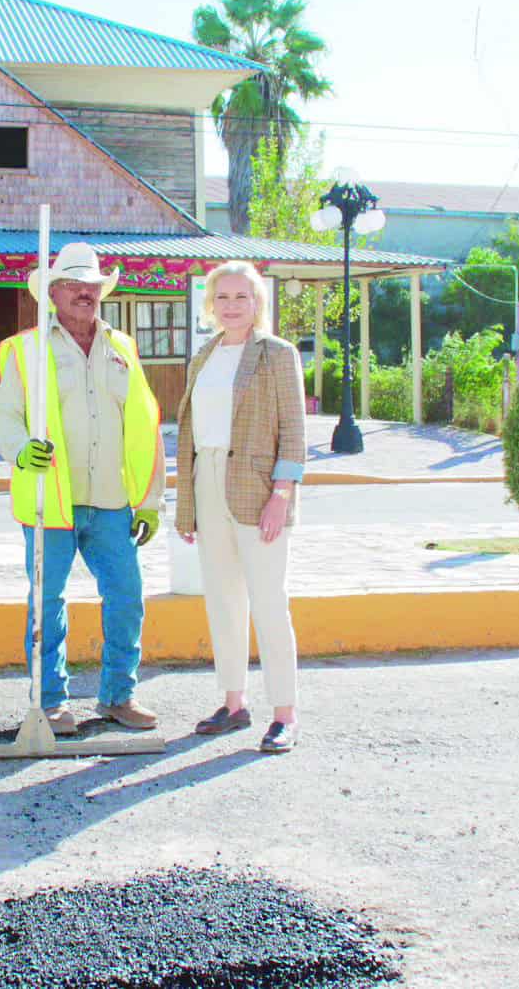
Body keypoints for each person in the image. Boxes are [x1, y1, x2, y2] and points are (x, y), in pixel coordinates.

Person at [0, 242, 166, 734]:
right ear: (52, 293)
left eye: (91, 285)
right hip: (52, 503)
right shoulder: (27, 350)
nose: (84, 292)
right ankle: (49, 703)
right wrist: (21, 450)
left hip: (112, 501)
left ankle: (119, 696)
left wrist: (151, 499)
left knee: (127, 596)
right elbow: (4, 418)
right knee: (47, 603)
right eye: (73, 284)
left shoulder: (123, 349)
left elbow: (145, 423)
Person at [174, 261, 305, 753]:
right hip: (207, 482)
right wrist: (187, 506)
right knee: (222, 600)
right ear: (210, 304)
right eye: (223, 298)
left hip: (258, 488)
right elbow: (188, 435)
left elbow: (293, 430)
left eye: (241, 298)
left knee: (269, 602)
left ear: (258, 303)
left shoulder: (276, 354)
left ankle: (285, 714)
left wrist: (281, 494)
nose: (232, 306)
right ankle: (233, 703)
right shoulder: (204, 355)